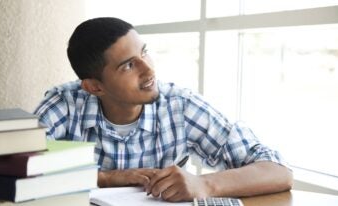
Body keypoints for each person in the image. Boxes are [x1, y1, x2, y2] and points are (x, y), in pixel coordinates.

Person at [34, 17, 292, 202]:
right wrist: (105, 178)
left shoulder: (179, 106)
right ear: (94, 87)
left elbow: (277, 171)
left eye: (144, 53)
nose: (149, 70)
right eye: (128, 66)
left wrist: (203, 184)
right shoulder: (65, 105)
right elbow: (9, 171)